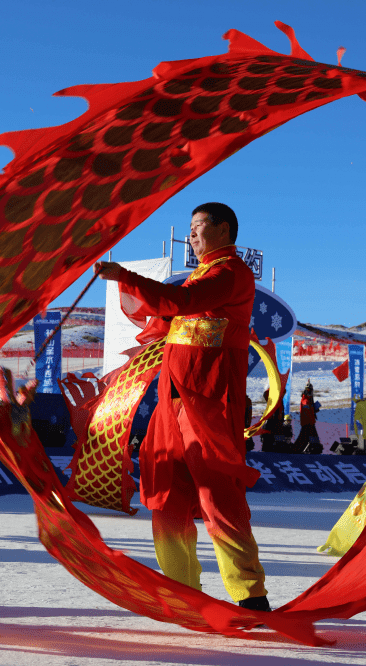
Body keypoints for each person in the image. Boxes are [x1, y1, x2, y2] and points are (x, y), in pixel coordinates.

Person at [93, 202, 270, 612]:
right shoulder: (202, 274)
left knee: (217, 496)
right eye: (190, 228)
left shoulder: (231, 274)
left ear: (224, 231)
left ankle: (250, 595)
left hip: (207, 404)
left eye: (198, 227)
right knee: (166, 496)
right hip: (172, 402)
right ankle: (182, 591)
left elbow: (181, 303)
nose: (192, 235)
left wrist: (126, 277)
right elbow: (164, 318)